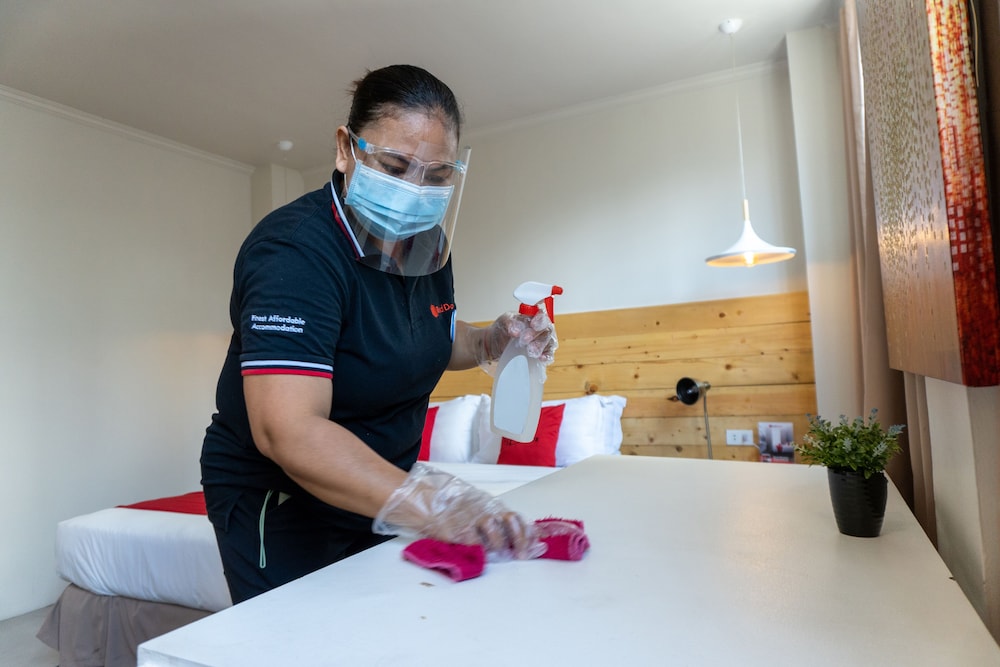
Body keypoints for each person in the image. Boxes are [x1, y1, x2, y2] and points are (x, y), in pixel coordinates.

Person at [200, 64, 557, 604]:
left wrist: (490, 340)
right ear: (346, 149)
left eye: (437, 176)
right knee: (305, 637)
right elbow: (289, 430)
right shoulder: (295, 253)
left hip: (381, 480)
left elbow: (424, 336)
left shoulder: (427, 245)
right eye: (394, 166)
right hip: (284, 496)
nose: (415, 191)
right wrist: (432, 503)